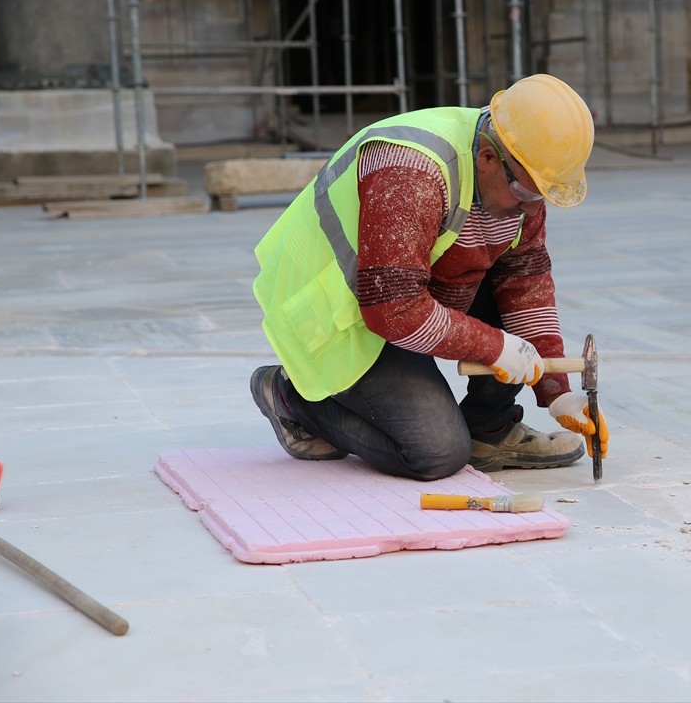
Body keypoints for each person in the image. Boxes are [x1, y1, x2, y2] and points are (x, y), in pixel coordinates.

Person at [248, 73, 609, 481]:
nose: (532, 209)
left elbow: (524, 276)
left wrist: (556, 390)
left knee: (504, 285)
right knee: (436, 452)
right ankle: (290, 396)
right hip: (339, 315)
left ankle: (490, 428)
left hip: (401, 291)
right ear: (489, 158)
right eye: (527, 194)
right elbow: (393, 310)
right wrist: (493, 346)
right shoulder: (411, 172)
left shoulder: (518, 161)